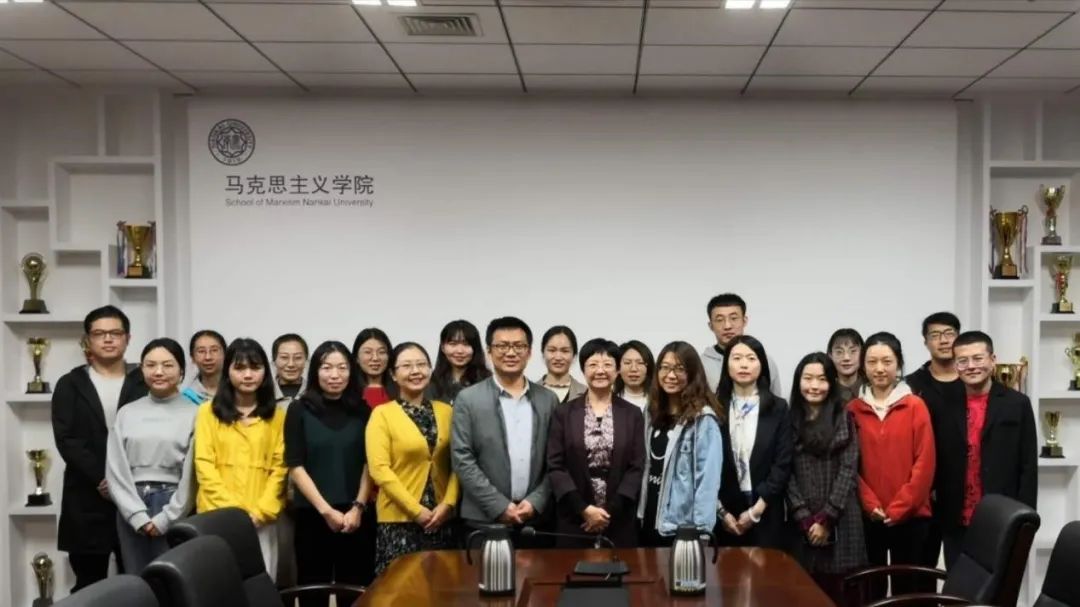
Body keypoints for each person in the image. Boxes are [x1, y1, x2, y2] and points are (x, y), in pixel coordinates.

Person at [51, 305, 148, 591]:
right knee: (88, 583)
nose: (108, 339)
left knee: (140, 581)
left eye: (115, 333)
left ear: (127, 338)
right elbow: (67, 438)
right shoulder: (70, 384)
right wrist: (102, 478)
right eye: (99, 333)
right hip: (86, 496)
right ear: (87, 340)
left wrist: (122, 480)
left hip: (135, 495)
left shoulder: (144, 382)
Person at [451, 316, 558, 547]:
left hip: (536, 520)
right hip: (483, 519)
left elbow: (556, 459)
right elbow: (462, 458)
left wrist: (536, 501)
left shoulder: (548, 399)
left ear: (529, 352)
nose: (511, 352)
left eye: (518, 346)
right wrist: (498, 505)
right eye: (502, 346)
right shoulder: (468, 399)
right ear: (489, 351)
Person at [285, 341, 375, 604]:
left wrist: (358, 507)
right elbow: (295, 465)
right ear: (315, 371)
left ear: (351, 371)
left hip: (356, 517)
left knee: (357, 593)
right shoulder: (298, 409)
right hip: (312, 515)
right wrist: (326, 511)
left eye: (342, 368)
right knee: (313, 593)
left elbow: (370, 463)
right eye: (326, 368)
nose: (335, 375)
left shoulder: (362, 410)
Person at [848, 332, 935, 599]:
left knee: (907, 591)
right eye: (872, 361)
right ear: (863, 365)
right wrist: (870, 503)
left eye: (887, 361)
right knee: (870, 590)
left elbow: (925, 462)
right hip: (868, 517)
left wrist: (899, 508)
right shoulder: (852, 409)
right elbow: (848, 464)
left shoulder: (915, 406)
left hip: (911, 517)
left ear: (898, 364)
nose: (879, 368)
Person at [940, 331, 1037, 567]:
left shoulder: (1017, 403)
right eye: (963, 361)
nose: (971, 366)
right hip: (955, 516)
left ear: (993, 360)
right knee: (959, 583)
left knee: (1000, 584)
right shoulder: (943, 403)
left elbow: (1028, 465)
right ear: (955, 365)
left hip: (1002, 513)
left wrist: (1026, 519)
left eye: (978, 358)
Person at [194, 338, 287, 580]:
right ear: (227, 371)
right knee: (218, 585)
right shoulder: (207, 413)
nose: (247, 375)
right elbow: (204, 464)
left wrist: (260, 512)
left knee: (261, 584)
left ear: (265, 372)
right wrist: (234, 514)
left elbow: (280, 468)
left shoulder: (278, 416)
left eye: (255, 368)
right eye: (239, 368)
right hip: (216, 516)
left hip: (261, 519)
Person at [105, 338, 197, 574]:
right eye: (150, 365)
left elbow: (192, 476)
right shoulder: (127, 413)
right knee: (137, 581)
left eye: (168, 365)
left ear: (181, 370)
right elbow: (115, 470)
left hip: (174, 504)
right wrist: (137, 515)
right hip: (130, 506)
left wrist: (168, 517)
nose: (158, 372)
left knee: (175, 581)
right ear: (141, 369)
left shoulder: (196, 414)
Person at [366, 342, 458, 575]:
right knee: (401, 588)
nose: (415, 371)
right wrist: (416, 510)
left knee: (443, 586)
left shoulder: (447, 411)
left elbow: (459, 462)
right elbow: (379, 469)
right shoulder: (382, 414)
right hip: (399, 520)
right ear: (393, 374)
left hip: (442, 518)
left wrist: (448, 504)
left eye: (421, 364)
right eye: (407, 366)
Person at [547, 339, 645, 547]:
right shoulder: (563, 413)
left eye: (607, 365)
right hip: (574, 517)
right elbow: (555, 465)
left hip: (618, 518)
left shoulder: (632, 414)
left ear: (617, 371)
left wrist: (608, 512)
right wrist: (583, 509)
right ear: (583, 369)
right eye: (593, 365)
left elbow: (636, 467)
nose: (600, 371)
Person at [786, 352, 866, 604]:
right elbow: (785, 472)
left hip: (842, 519)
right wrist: (804, 517)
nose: (814, 385)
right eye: (808, 378)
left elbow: (848, 469)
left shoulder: (844, 417)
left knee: (843, 594)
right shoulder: (788, 420)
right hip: (801, 524)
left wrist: (826, 519)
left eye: (822, 379)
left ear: (831, 383)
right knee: (803, 594)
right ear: (798, 382)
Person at [638, 341, 724, 547]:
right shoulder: (651, 412)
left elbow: (707, 484)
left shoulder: (703, 420)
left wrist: (702, 533)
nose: (670, 375)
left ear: (693, 373)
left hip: (681, 527)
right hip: (648, 518)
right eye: (665, 368)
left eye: (679, 369)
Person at [715, 336, 793, 549]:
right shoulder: (713, 407)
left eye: (751, 358)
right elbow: (704, 465)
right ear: (726, 364)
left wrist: (756, 511)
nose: (743, 364)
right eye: (737, 358)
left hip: (766, 512)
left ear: (762, 365)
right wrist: (721, 512)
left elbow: (782, 463)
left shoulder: (778, 408)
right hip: (724, 515)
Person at [906, 312, 964, 575]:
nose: (943, 340)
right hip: (924, 494)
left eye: (949, 333)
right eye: (935, 335)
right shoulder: (911, 385)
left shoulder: (971, 381)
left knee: (963, 570)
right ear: (925, 342)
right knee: (921, 569)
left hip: (963, 492)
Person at [701, 293, 782, 395]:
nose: (727, 326)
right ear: (711, 326)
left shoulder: (763, 360)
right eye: (720, 320)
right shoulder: (700, 365)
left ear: (744, 321)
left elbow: (775, 400)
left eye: (734, 318)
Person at [426, 320, 491, 404]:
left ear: (475, 348)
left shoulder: (487, 381)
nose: (460, 351)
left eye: (466, 344)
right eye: (453, 344)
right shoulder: (432, 382)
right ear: (443, 348)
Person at [538, 325, 586, 403]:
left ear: (574, 356)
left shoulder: (586, 394)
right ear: (543, 353)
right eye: (552, 350)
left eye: (565, 351)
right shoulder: (529, 393)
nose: (558, 357)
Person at [352, 328, 395, 408]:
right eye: (368, 352)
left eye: (381, 352)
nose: (375, 358)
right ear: (357, 357)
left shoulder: (401, 390)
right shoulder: (348, 392)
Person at [181, 330, 226, 405]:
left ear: (225, 354)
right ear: (192, 357)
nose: (208, 357)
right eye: (201, 351)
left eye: (214, 350)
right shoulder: (186, 399)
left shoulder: (239, 393)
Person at [614, 340, 654, 412]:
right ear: (618, 368)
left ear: (648, 368)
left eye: (640, 363)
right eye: (627, 363)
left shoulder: (659, 401)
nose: (634, 369)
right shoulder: (610, 403)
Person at [827, 328, 864, 404]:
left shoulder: (873, 389)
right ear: (830, 355)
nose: (846, 358)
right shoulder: (825, 391)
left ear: (863, 354)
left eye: (853, 351)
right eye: (839, 352)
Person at [272, 333, 308, 402]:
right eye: (284, 357)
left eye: (298, 357)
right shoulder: (263, 393)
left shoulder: (316, 393)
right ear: (274, 362)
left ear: (306, 361)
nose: (291, 364)